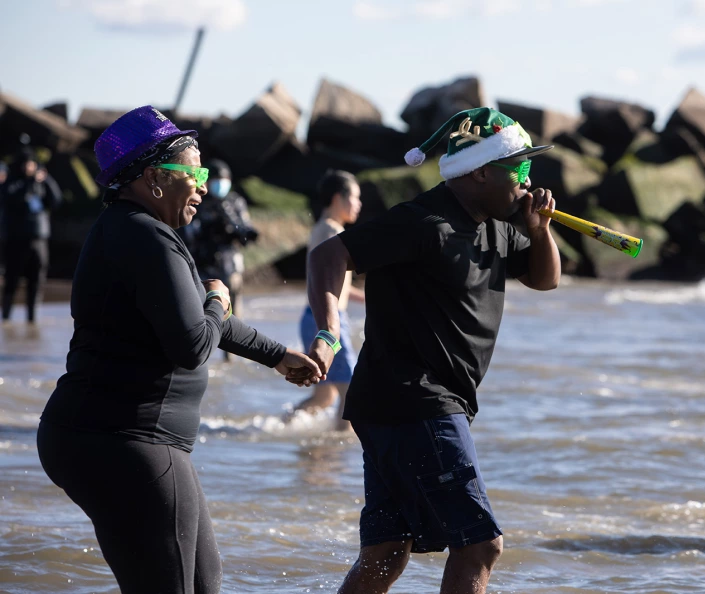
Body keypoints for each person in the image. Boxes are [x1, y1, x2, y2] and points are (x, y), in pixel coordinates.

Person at [36, 106, 322, 594]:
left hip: (109, 436)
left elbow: (194, 320)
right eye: (196, 174)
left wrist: (276, 355)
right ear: (154, 179)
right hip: (129, 440)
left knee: (204, 582)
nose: (204, 188)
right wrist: (218, 299)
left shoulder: (129, 229)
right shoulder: (146, 237)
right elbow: (193, 344)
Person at [299, 107, 560, 594]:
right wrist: (329, 332)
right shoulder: (424, 222)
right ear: (480, 172)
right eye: (518, 168)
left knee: (385, 554)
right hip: (414, 400)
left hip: (395, 406)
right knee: (480, 545)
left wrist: (540, 228)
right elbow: (329, 255)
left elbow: (545, 279)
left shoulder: (500, 224)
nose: (528, 180)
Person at [283, 170, 364, 431]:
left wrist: (367, 298)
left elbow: (334, 285)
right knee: (351, 394)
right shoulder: (332, 231)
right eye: (355, 197)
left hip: (315, 317)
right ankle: (339, 449)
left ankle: (280, 427)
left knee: (325, 396)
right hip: (328, 322)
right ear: (338, 198)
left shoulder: (323, 228)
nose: (359, 204)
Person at [181, 158, 258, 319]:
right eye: (216, 179)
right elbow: (188, 235)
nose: (221, 184)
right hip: (202, 267)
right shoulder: (198, 202)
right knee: (204, 315)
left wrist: (233, 230)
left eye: (224, 180)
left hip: (230, 265)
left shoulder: (234, 202)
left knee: (234, 316)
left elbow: (246, 231)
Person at [1, 147, 62, 323]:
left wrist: (47, 179)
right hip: (16, 239)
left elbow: (56, 200)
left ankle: (32, 320)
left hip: (39, 240)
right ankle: (5, 319)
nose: (29, 167)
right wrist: (30, 182)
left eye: (32, 164)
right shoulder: (12, 182)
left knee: (36, 281)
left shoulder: (41, 183)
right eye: (27, 164)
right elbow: (10, 198)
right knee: (11, 281)